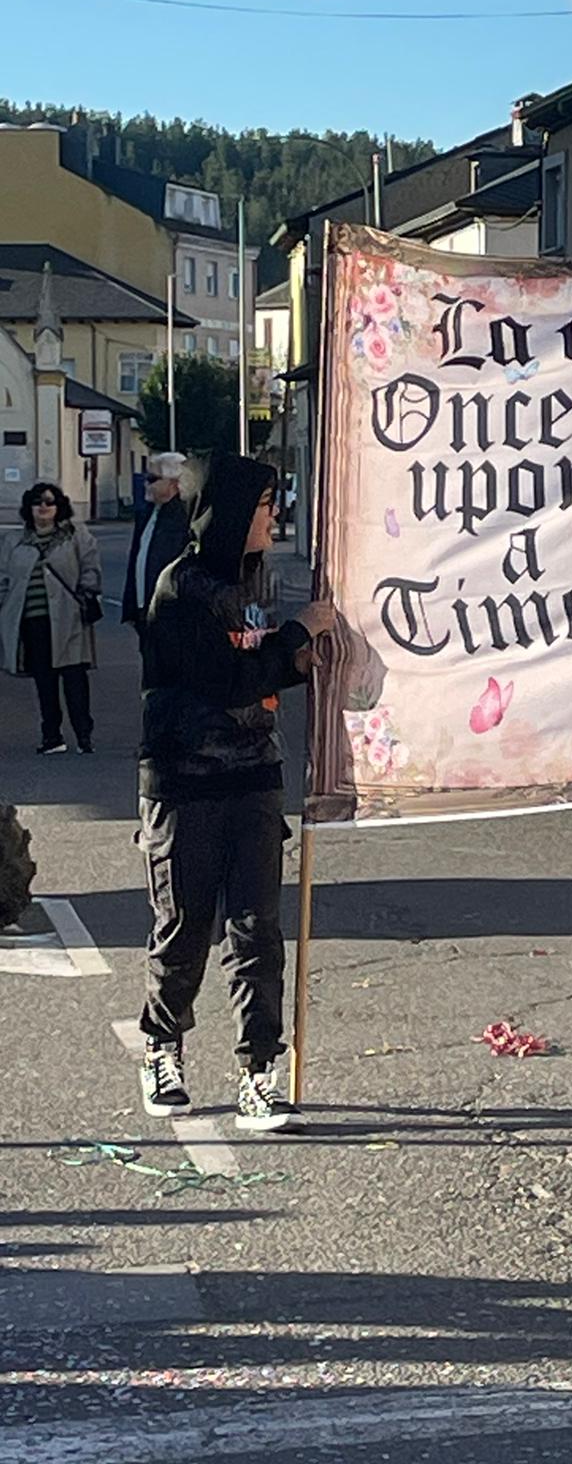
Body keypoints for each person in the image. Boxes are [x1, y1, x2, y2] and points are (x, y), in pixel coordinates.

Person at [136, 453, 333, 1131]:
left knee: (257, 931)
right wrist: (297, 634)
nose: (273, 515)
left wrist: (301, 660)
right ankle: (163, 1047)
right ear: (224, 513)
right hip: (183, 780)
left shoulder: (259, 577)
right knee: (187, 928)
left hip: (252, 775)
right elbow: (225, 678)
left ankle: (260, 1073)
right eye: (262, 505)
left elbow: (262, 670)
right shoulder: (180, 586)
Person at [0, 482, 101, 754]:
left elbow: (90, 567)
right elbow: (4, 579)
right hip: (32, 622)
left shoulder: (75, 535)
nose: (43, 507)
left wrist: (88, 591)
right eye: (37, 502)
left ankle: (83, 735)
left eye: (49, 502)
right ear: (28, 507)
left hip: (69, 619)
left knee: (74, 679)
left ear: (59, 507)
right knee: (44, 681)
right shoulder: (13, 541)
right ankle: (52, 736)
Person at [122, 452, 191, 634]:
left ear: (174, 483)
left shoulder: (185, 518)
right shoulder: (146, 515)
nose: (146, 484)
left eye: (152, 479)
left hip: (171, 615)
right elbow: (136, 561)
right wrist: (131, 608)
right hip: (144, 611)